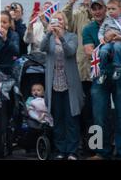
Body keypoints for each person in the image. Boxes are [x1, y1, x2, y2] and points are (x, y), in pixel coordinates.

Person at [83, 0, 121, 160]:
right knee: (97, 115)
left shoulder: (120, 21)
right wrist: (107, 40)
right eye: (93, 8)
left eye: (100, 8)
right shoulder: (88, 29)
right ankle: (99, 152)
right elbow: (89, 51)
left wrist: (118, 36)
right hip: (99, 76)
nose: (97, 11)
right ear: (91, 11)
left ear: (106, 9)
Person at [40, 11, 83, 160]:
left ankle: (72, 151)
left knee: (71, 119)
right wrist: (48, 33)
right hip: (54, 85)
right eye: (54, 20)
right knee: (58, 119)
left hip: (69, 85)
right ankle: (60, 150)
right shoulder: (49, 37)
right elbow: (42, 48)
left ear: (64, 22)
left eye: (60, 19)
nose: (57, 22)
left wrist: (61, 37)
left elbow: (70, 52)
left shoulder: (72, 36)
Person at [62, 0, 100, 155]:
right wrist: (69, 4)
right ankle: (79, 146)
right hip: (80, 71)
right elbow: (67, 24)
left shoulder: (102, 15)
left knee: (96, 112)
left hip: (98, 73)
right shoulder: (78, 14)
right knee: (80, 111)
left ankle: (94, 147)